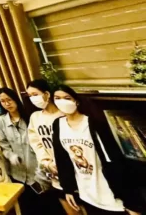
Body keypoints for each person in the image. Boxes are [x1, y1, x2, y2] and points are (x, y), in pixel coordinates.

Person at [52, 85, 143, 215]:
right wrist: (68, 189)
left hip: (108, 192)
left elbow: (113, 160)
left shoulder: (93, 122)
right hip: (87, 193)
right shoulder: (58, 124)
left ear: (76, 101)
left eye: (67, 98)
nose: (62, 101)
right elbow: (62, 159)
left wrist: (131, 201)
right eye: (57, 98)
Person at [26, 79, 75, 215]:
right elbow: (37, 143)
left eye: (35, 94)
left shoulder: (64, 114)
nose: (32, 98)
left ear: (47, 94)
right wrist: (47, 162)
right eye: (29, 96)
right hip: (55, 174)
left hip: (75, 170)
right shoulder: (35, 117)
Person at [0, 87, 44, 213]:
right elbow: (3, 145)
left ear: (15, 99)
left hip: (37, 171)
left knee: (44, 206)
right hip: (18, 174)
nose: (7, 104)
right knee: (26, 208)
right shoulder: (1, 121)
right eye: (3, 101)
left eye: (9, 100)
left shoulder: (29, 116)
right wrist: (11, 155)